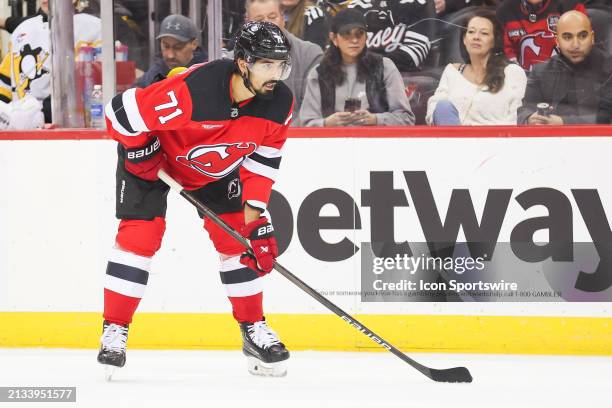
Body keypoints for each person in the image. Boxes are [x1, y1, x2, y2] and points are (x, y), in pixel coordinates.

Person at [98, 21, 293, 378]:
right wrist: (140, 147)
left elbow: (263, 163)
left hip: (215, 167)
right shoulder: (194, 90)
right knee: (140, 237)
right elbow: (118, 113)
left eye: (281, 65)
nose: (275, 74)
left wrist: (255, 222)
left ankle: (253, 329)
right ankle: (115, 329)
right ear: (243, 63)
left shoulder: (279, 103)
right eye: (267, 64)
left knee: (236, 241)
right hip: (154, 162)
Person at [299, 9, 414, 126]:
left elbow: (406, 119)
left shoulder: (384, 67)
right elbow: (305, 124)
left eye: (359, 34)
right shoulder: (319, 73)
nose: (354, 40)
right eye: (346, 34)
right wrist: (327, 123)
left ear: (366, 37)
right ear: (334, 38)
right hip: (332, 142)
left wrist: (375, 120)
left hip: (376, 141)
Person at [0, 0, 101, 124]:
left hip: (68, 126)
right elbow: (5, 85)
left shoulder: (92, 28)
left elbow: (87, 86)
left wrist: (41, 113)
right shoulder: (22, 30)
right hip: (21, 129)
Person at [427, 9, 527, 125]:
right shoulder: (452, 71)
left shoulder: (512, 73)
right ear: (464, 39)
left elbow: (517, 118)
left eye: (484, 33)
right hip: (454, 140)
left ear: (494, 41)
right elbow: (433, 111)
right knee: (443, 106)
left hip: (495, 140)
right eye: (471, 32)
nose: (476, 37)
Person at [227, 0, 323, 115]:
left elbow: (309, 115)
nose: (267, 25)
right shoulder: (231, 61)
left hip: (293, 130)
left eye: (272, 17)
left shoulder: (310, 55)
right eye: (259, 20)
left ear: (283, 18)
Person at [519, 10, 612, 125]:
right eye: (567, 37)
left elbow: (608, 117)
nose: (575, 45)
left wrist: (564, 123)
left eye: (582, 36)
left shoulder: (609, 68)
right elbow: (524, 111)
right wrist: (530, 119)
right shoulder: (541, 72)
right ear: (557, 41)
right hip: (552, 141)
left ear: (592, 37)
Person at [347, 0, 435, 73]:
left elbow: (415, 53)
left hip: (405, 77)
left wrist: (374, 63)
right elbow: (344, 53)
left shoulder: (417, 3)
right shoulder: (355, 7)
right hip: (361, 77)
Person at [496, 0, 586, 71]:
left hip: (568, 76)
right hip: (523, 82)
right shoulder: (504, 11)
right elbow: (507, 54)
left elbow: (582, 46)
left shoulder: (570, 5)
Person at [135, 14, 207, 88]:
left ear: (194, 44)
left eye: (178, 47)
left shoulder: (206, 72)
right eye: (166, 46)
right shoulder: (154, 72)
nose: (170, 55)